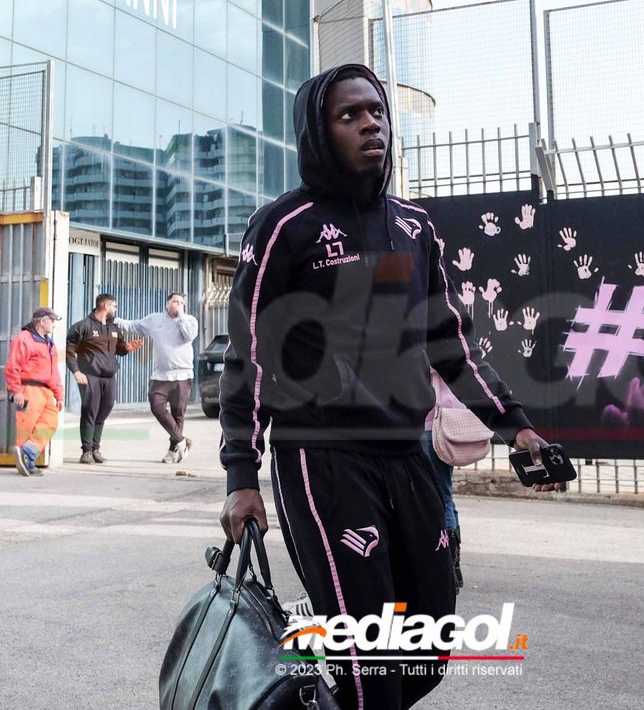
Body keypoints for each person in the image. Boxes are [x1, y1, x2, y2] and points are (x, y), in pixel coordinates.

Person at [218, 64, 564, 710]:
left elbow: (450, 343)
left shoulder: (414, 227)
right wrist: (242, 475)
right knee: (369, 665)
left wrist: (515, 424)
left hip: (409, 455)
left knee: (425, 651)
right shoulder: (283, 228)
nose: (370, 123)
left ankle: (320, 660)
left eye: (376, 111)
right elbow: (249, 357)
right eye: (349, 115)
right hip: (321, 463)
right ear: (319, 133)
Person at [117, 293, 199, 464]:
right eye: (175, 301)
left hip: (182, 375)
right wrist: (115, 320)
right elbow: (134, 325)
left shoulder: (190, 320)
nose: (178, 304)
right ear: (167, 303)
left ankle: (173, 450)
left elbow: (189, 336)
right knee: (156, 405)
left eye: (181, 302)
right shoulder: (155, 319)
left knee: (178, 414)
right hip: (161, 375)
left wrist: (181, 316)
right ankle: (181, 440)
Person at [65, 293, 143, 464]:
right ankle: (86, 451)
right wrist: (76, 372)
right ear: (106, 306)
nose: (115, 309)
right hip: (89, 376)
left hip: (109, 377)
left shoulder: (113, 328)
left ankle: (96, 448)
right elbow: (69, 351)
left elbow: (120, 349)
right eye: (114, 306)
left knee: (105, 409)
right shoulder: (82, 326)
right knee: (90, 411)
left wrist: (127, 347)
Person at [422, 369, 468, 591]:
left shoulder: (432, 342)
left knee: (438, 496)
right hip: (443, 422)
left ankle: (448, 567)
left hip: (434, 423)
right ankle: (452, 567)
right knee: (445, 495)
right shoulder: (452, 340)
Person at [5, 307, 65, 477]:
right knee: (27, 426)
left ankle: (27, 453)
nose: (54, 325)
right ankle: (27, 462)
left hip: (46, 392)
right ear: (42, 321)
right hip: (28, 389)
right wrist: (16, 391)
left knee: (50, 423)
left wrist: (58, 394)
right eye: (52, 321)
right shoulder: (24, 339)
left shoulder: (48, 343)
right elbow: (13, 367)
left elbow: (55, 372)